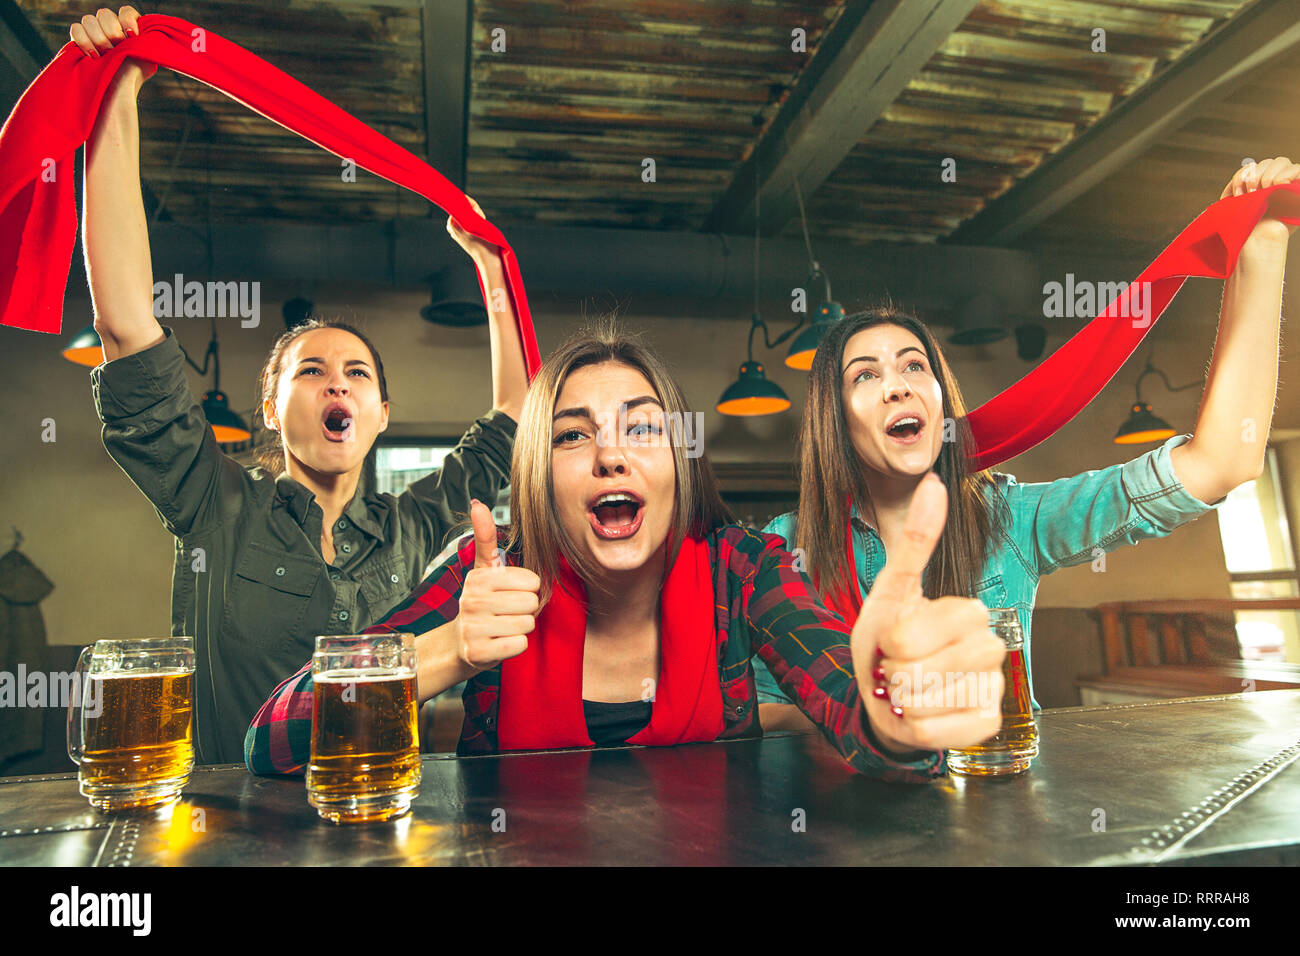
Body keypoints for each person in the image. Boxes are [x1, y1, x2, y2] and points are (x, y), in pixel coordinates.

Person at [247, 324, 1011, 781]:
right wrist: (450, 650)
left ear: (682, 464)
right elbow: (270, 740)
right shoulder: (485, 574)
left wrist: (897, 714)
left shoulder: (741, 567)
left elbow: (858, 716)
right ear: (541, 476)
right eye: (574, 435)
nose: (612, 456)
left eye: (643, 429)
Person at [73, 7, 529, 763]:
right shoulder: (213, 504)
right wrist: (119, 87)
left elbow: (516, 414)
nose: (335, 385)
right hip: (230, 828)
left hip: (383, 817)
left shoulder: (418, 526)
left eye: (356, 374)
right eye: (309, 372)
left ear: (381, 414)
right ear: (272, 411)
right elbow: (126, 330)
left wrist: (490, 269)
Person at [756, 158, 1298, 725]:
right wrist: (878, 715)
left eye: (915, 367)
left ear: (942, 402)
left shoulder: (1009, 519)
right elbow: (767, 712)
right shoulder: (788, 545)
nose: (897, 386)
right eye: (864, 375)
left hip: (998, 795)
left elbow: (1222, 461)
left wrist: (1260, 251)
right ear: (833, 419)